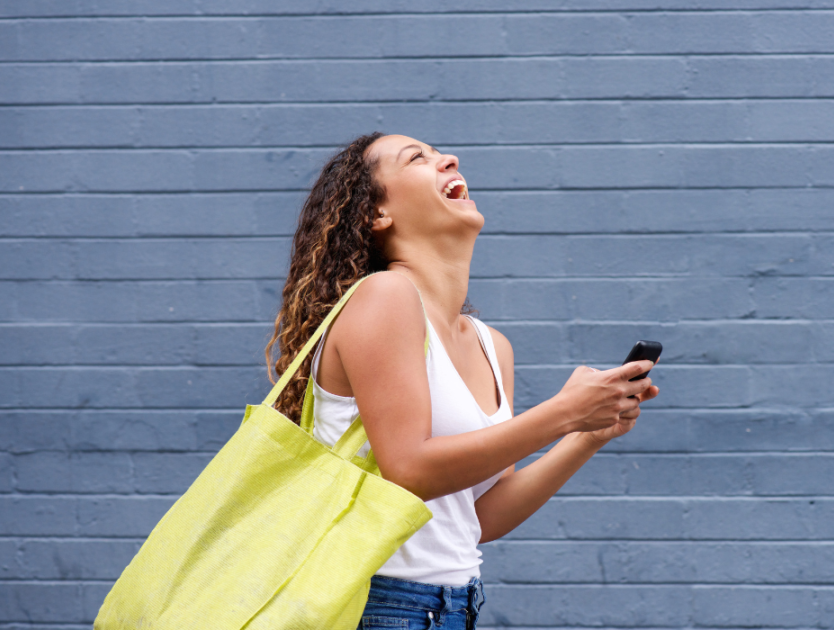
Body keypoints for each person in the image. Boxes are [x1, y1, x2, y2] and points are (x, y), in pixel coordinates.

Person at [266, 132, 659, 629]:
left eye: (440, 153)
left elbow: (481, 518)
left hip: (457, 604)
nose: (447, 158)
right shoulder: (383, 296)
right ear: (376, 215)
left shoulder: (492, 345)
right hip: (379, 604)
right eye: (418, 158)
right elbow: (408, 471)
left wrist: (584, 436)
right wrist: (563, 412)